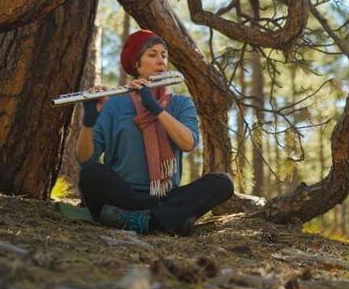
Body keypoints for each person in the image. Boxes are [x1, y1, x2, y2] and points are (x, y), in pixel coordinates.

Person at [75, 30, 234, 236]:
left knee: (223, 183)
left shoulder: (180, 103)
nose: (161, 61)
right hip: (123, 193)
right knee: (90, 174)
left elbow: (188, 143)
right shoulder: (114, 104)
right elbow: (85, 159)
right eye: (152, 55)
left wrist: (156, 109)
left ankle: (140, 219)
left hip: (165, 194)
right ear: (137, 64)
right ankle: (167, 218)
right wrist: (89, 119)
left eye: (164, 55)